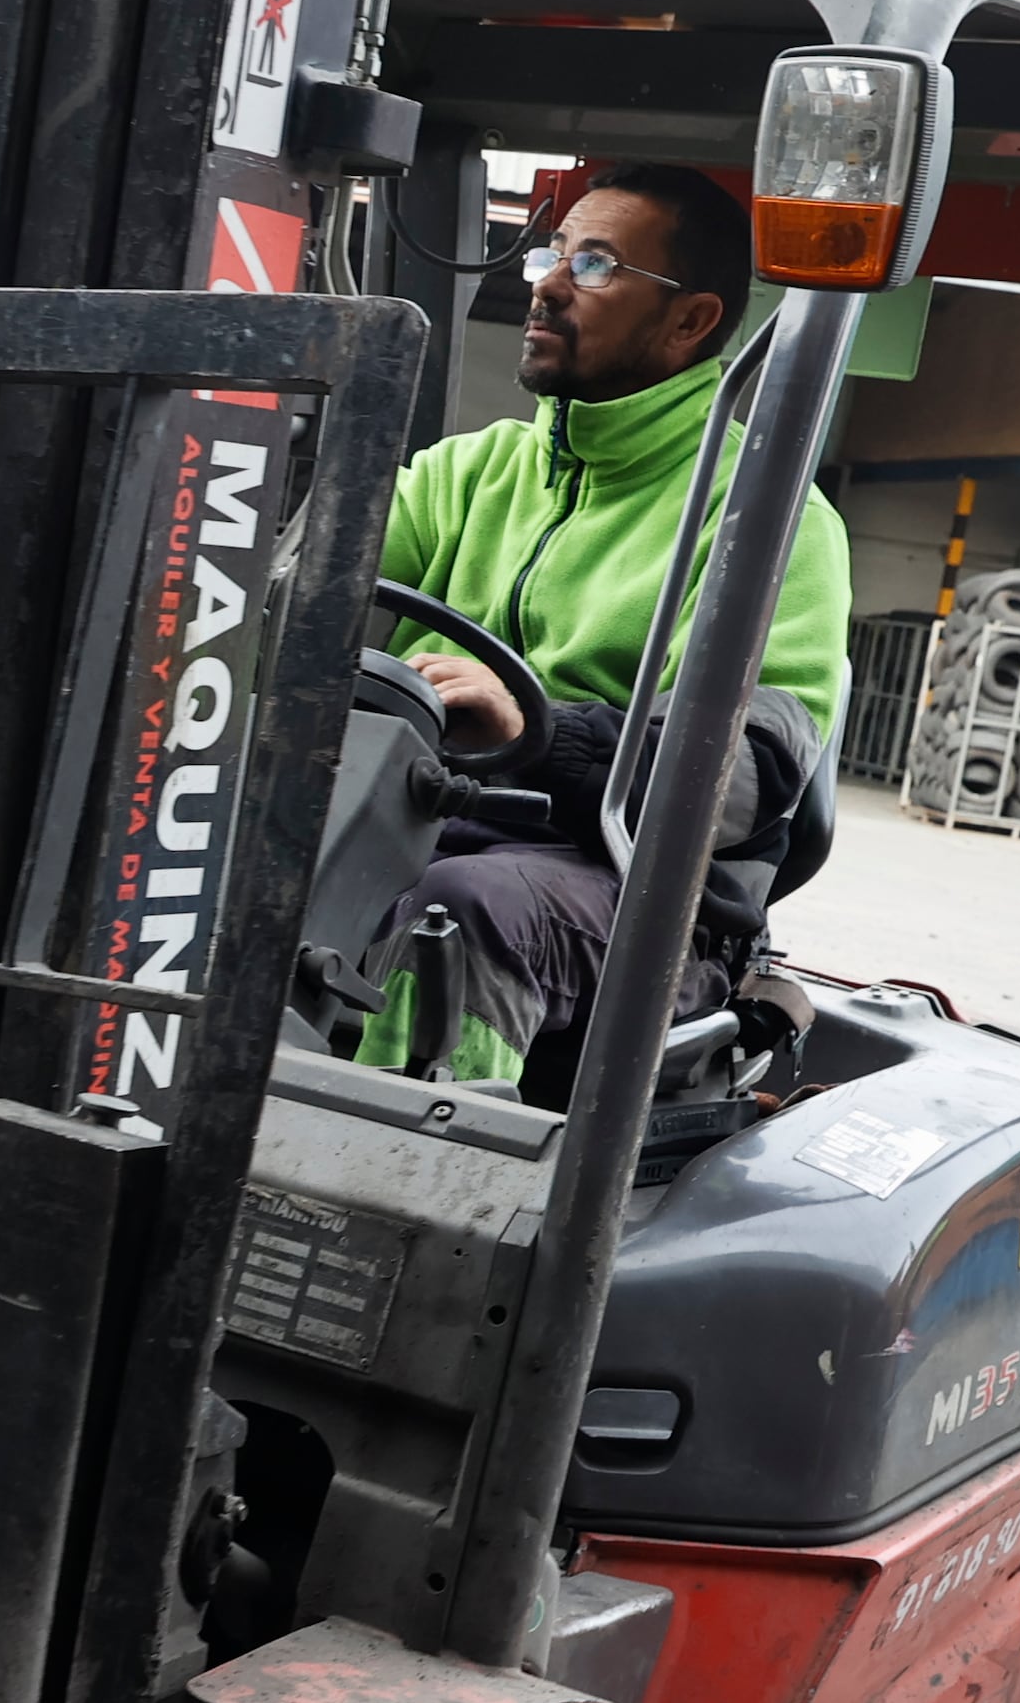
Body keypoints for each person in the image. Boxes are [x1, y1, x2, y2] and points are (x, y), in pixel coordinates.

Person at [361, 161, 851, 1084]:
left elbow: (747, 776)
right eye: (552, 255)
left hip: (643, 895)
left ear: (690, 320)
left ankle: (408, 1192)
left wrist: (531, 731)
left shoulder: (766, 519)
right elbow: (289, 602)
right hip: (417, 820)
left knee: (461, 912)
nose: (546, 283)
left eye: (593, 264)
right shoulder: (466, 474)